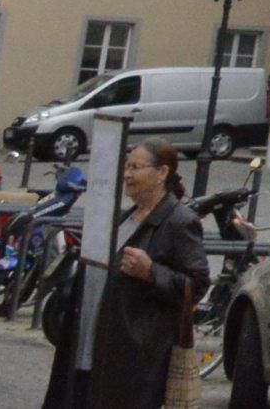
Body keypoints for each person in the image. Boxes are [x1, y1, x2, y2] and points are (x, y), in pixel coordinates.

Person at [41, 140, 203, 409]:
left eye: (136, 167)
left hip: (132, 359)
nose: (127, 174)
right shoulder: (126, 217)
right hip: (91, 348)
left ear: (162, 173)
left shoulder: (178, 221)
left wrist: (151, 272)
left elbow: (196, 284)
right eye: (126, 166)